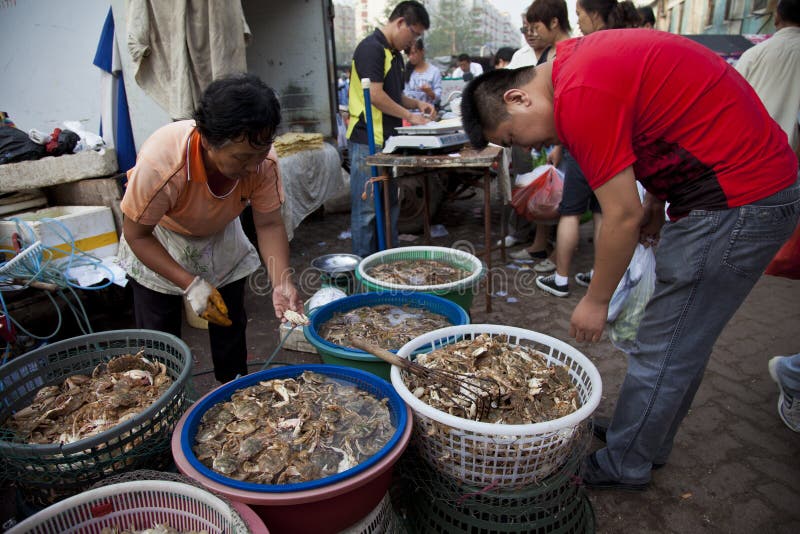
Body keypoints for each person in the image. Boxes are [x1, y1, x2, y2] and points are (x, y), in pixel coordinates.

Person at [460, 29, 799, 490]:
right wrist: (658, 201)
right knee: (681, 336)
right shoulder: (576, 68)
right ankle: (641, 439)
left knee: (665, 343)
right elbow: (664, 123)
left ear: (518, 98)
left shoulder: (578, 94)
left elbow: (618, 215)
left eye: (514, 137)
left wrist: (595, 299)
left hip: (737, 200)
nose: (529, 149)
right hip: (734, 191)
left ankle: (626, 462)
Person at [118, 73, 304, 383]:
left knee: (230, 324)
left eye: (260, 154)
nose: (252, 167)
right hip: (159, 238)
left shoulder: (262, 161)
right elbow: (137, 235)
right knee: (160, 342)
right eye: (241, 158)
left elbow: (269, 224)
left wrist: (281, 281)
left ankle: (233, 392)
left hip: (219, 232)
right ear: (207, 141)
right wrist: (190, 284)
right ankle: (165, 406)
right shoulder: (162, 163)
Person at [346, 1, 436, 258]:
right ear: (400, 23)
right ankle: (364, 270)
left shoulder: (393, 55)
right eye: (414, 33)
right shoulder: (371, 49)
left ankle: (386, 262)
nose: (413, 41)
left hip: (387, 142)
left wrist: (417, 104)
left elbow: (393, 95)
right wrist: (410, 116)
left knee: (389, 206)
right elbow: (374, 95)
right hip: (367, 141)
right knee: (366, 212)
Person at [735, 0, 800, 154]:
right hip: (789, 158)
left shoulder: (754, 54)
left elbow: (732, 99)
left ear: (777, 18)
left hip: (750, 150)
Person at [404, 38, 442, 107]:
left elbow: (438, 99)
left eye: (413, 53)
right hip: (409, 114)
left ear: (422, 51)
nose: (411, 57)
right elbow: (404, 95)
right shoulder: (406, 71)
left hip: (428, 114)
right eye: (408, 54)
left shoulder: (434, 71)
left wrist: (430, 93)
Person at [575, 0, 641, 34]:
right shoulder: (631, 35)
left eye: (578, 14)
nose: (577, 22)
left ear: (594, 13)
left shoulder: (596, 48)